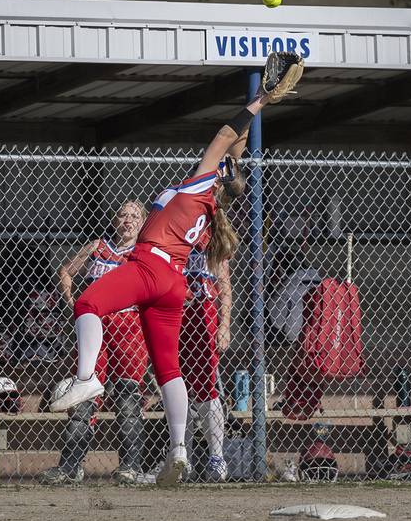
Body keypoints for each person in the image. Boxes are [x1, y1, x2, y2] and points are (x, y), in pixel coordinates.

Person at [49, 65, 294, 485]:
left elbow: (223, 136)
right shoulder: (212, 207)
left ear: (218, 178)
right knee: (168, 370)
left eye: (222, 167)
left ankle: (87, 379)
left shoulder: (201, 186)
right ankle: (179, 450)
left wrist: (260, 100)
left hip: (150, 265)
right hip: (173, 284)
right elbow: (234, 147)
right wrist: (242, 147)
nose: (220, 162)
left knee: (88, 302)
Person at [39, 200, 150, 485]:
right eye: (122, 215)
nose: (127, 220)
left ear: (143, 223)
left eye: (134, 216)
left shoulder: (143, 253)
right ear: (115, 221)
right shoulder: (98, 247)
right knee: (85, 395)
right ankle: (71, 466)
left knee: (127, 396)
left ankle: (130, 466)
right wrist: (73, 304)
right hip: (96, 326)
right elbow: (65, 271)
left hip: (129, 327)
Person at [181, 250, 232, 482]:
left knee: (205, 388)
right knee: (177, 390)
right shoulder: (171, 234)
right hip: (174, 313)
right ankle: (183, 458)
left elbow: (224, 287)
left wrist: (225, 325)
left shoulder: (211, 242)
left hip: (205, 313)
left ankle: (217, 458)